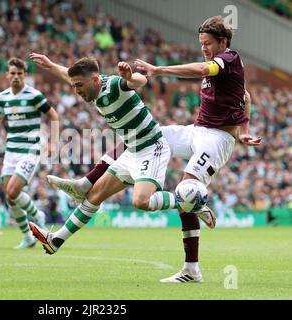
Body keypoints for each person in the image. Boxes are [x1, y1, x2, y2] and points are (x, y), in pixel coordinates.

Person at [34, 15, 263, 283]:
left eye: (208, 43)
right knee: (137, 140)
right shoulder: (222, 67)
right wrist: (245, 130)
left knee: (186, 190)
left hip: (218, 139)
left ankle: (192, 251)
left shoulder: (229, 60)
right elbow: (244, 97)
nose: (204, 48)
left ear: (223, 41)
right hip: (196, 131)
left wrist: (159, 70)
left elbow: (202, 70)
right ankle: (62, 230)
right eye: (201, 43)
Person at [28, 54, 180, 257]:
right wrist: (51, 65)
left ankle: (190, 200)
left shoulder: (115, 85)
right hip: (131, 150)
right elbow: (69, 75)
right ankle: (56, 240)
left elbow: (141, 81)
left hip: (151, 147)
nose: (76, 90)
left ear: (95, 80)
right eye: (74, 86)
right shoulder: (92, 87)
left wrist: (129, 78)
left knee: (141, 202)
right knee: (93, 196)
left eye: (79, 85)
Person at [0, 57, 59, 249]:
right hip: (11, 150)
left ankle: (38, 215)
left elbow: (53, 115)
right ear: (7, 75)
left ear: (25, 75)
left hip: (31, 149)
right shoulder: (3, 97)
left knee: (13, 191)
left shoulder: (34, 95)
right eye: (12, 73)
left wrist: (53, 142)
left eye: (19, 73)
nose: (15, 77)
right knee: (9, 197)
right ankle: (28, 237)